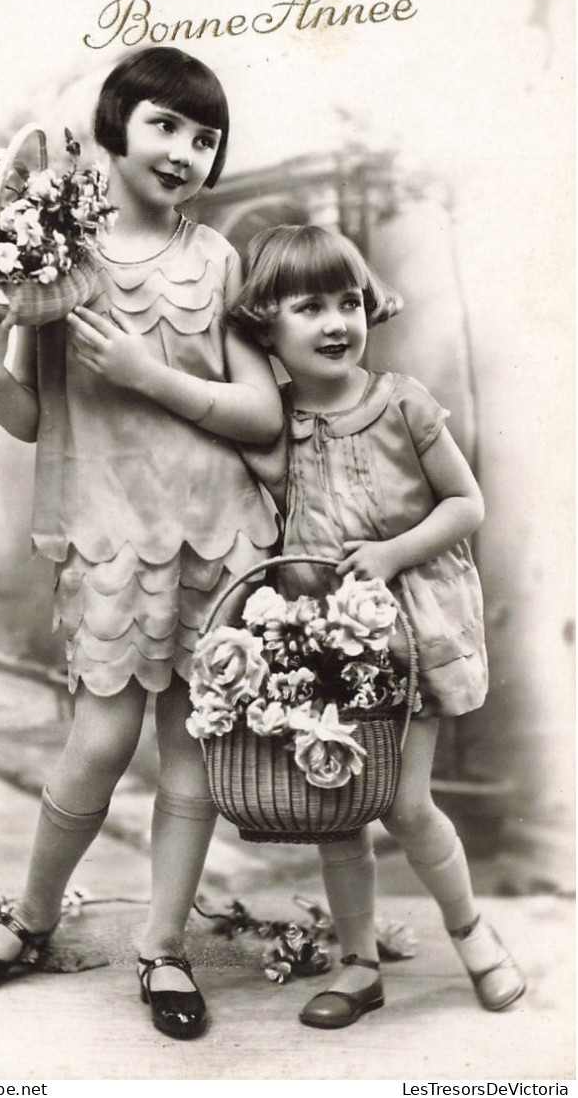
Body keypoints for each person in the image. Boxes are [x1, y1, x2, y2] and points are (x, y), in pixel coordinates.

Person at [0, 47, 283, 1040]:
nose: (185, 150)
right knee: (99, 738)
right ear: (114, 125)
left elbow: (259, 414)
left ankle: (164, 945)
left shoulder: (216, 260)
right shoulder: (50, 254)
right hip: (111, 540)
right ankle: (31, 918)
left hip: (216, 534)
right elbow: (25, 414)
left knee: (193, 748)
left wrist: (147, 373)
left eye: (205, 137)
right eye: (166, 125)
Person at [226, 224, 526, 1029]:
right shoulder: (274, 422)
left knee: (404, 803)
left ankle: (472, 935)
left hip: (409, 632)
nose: (336, 322)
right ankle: (359, 964)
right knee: (340, 805)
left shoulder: (401, 403)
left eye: (348, 302)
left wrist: (394, 552)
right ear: (267, 327)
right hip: (326, 648)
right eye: (309, 306)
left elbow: (468, 504)